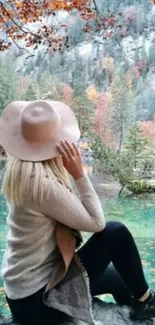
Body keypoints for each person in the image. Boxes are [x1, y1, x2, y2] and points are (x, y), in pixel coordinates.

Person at [0, 100, 155, 325]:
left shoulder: (20, 171)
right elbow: (96, 222)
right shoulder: (42, 185)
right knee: (115, 231)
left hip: (22, 296)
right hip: (42, 303)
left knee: (120, 279)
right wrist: (79, 174)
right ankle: (147, 303)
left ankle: (140, 310)